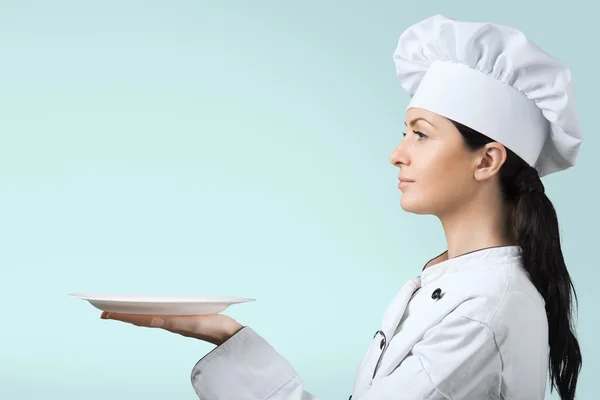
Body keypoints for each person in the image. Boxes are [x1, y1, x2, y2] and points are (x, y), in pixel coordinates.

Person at [100, 14, 583, 400]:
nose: (398, 153)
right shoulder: (453, 283)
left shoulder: (483, 310)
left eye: (420, 133)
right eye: (404, 132)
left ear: (488, 160)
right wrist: (224, 334)